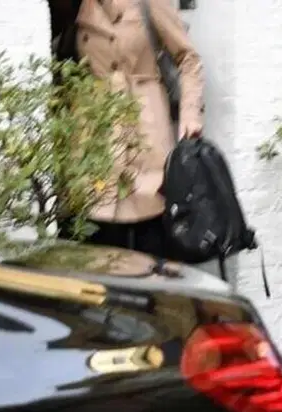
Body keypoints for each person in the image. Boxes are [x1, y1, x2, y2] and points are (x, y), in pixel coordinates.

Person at [48, 0, 205, 259]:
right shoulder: (78, 6)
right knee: (95, 232)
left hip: (144, 128)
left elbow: (188, 59)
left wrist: (190, 114)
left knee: (149, 232)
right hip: (94, 130)